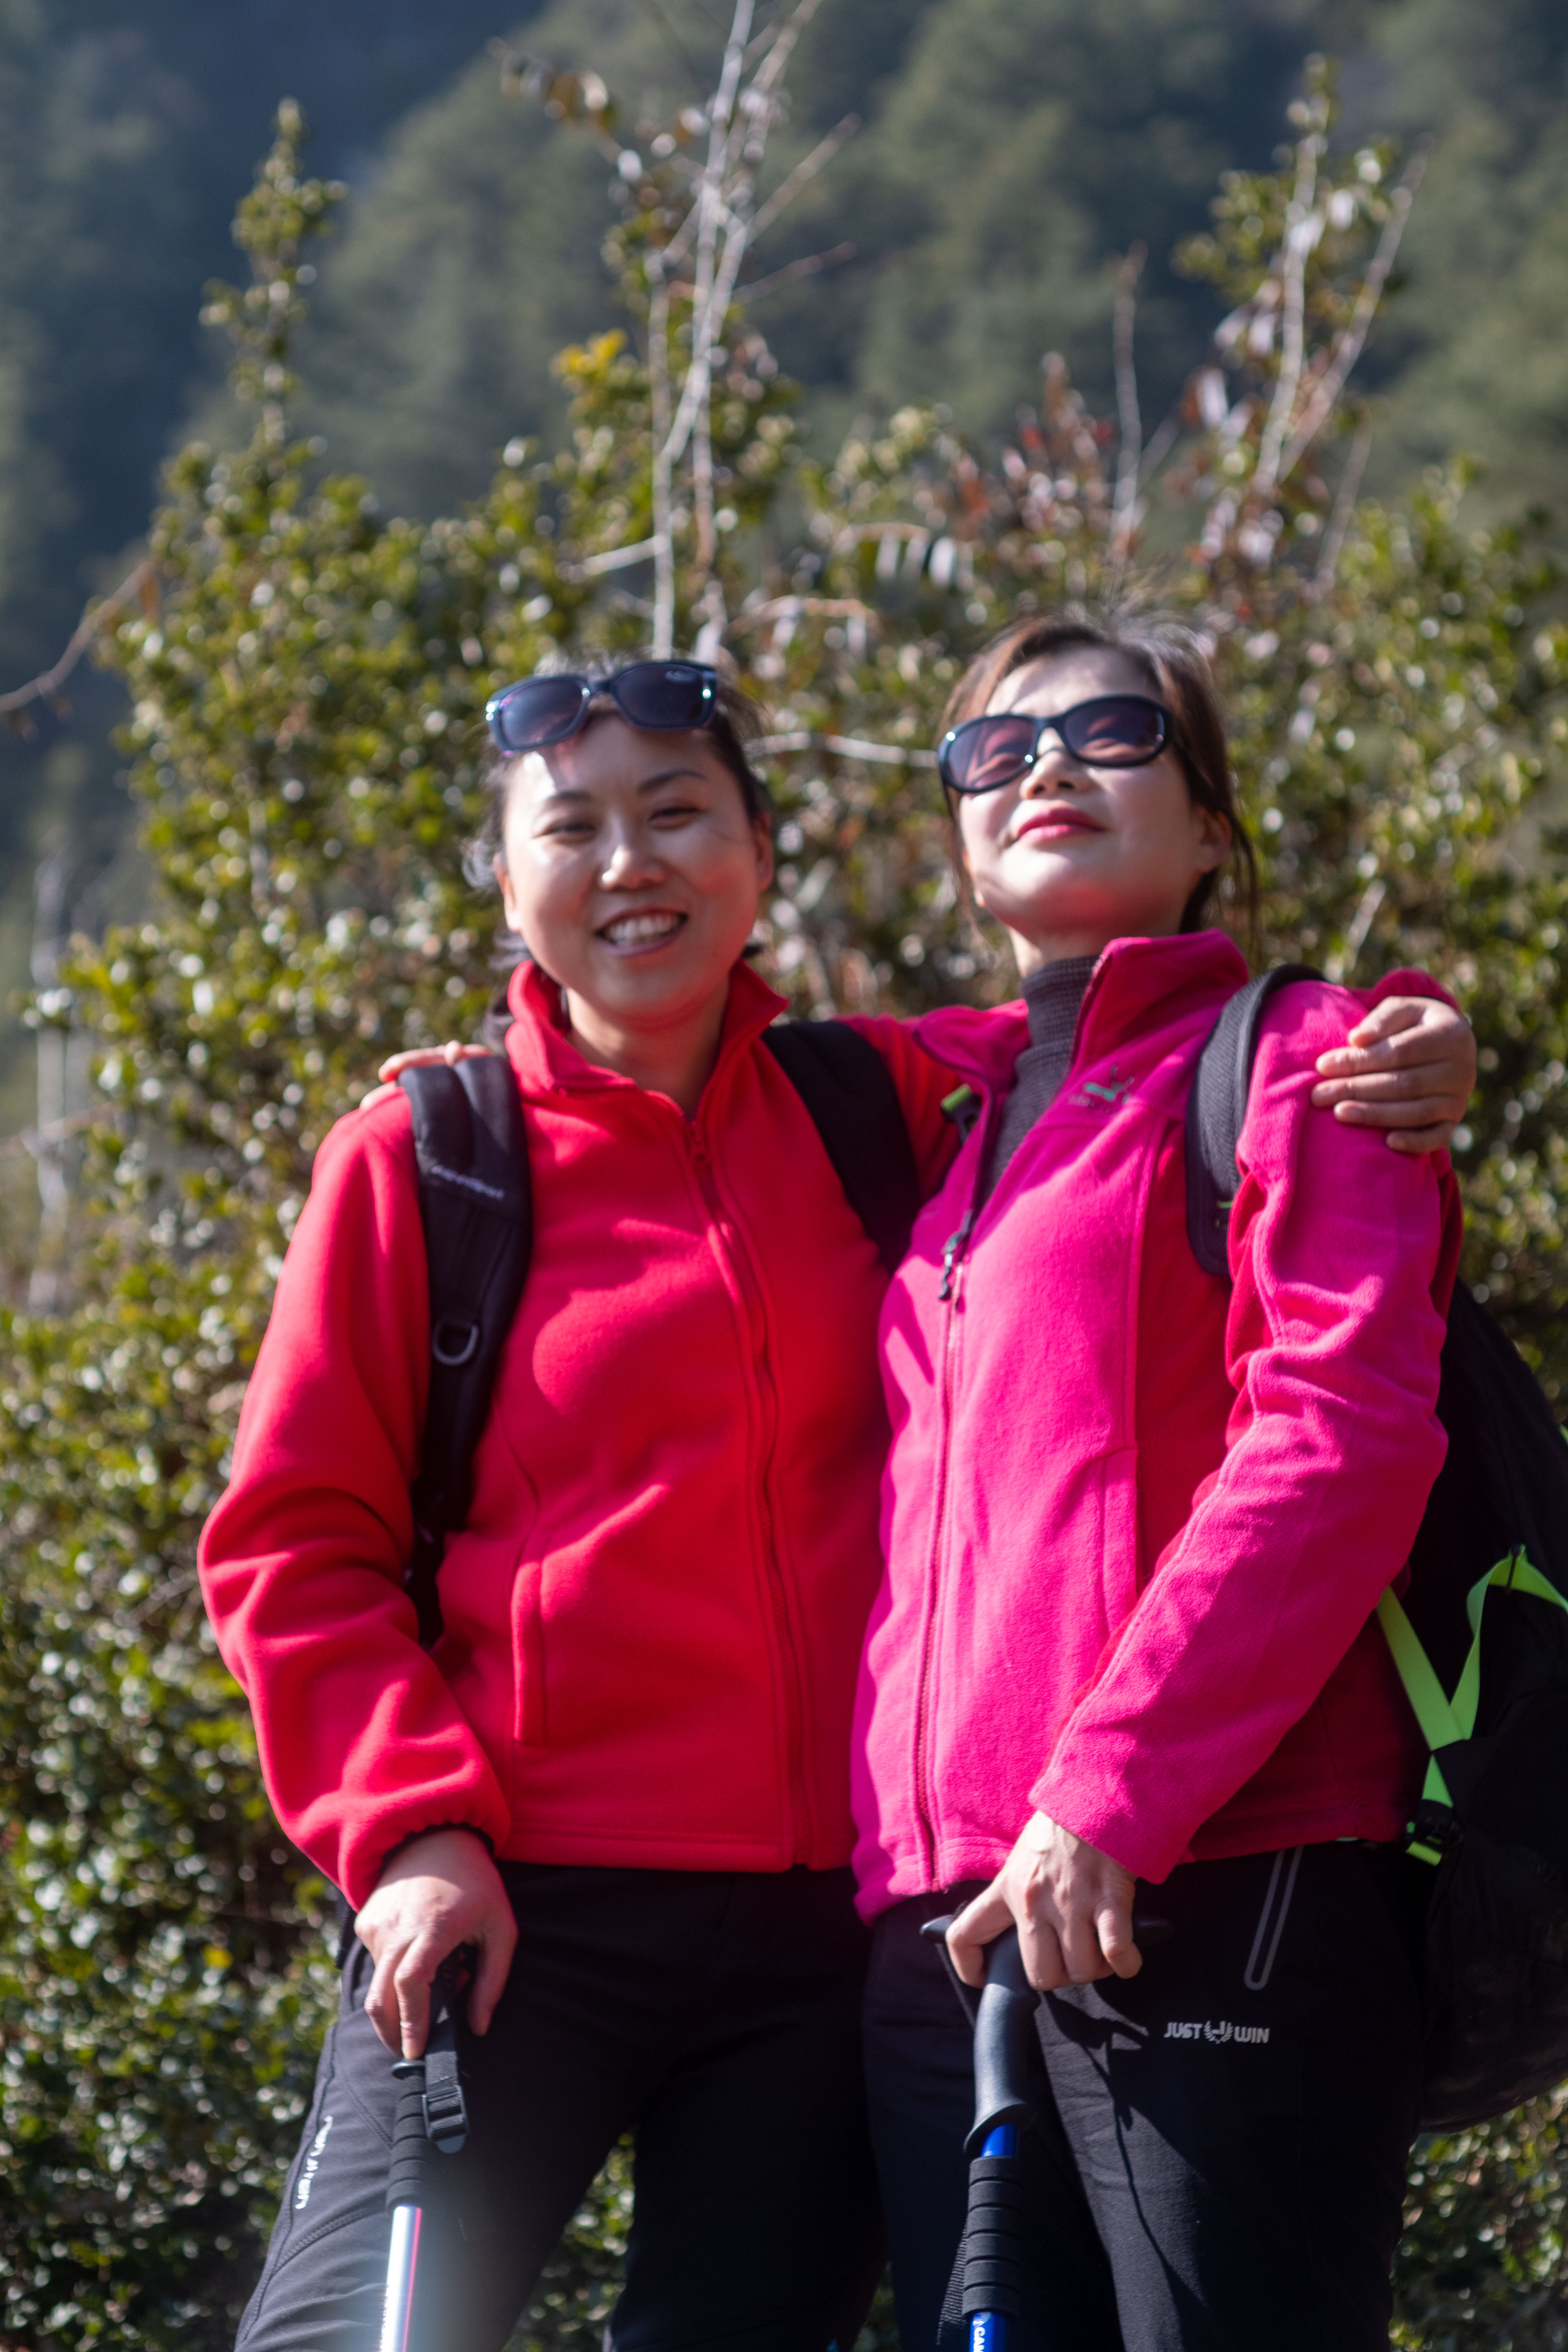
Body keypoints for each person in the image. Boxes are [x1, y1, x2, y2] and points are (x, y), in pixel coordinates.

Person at [198, 652, 1472, 2351]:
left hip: (823, 1941)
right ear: (503, 886)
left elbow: (1144, 1045)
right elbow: (292, 1544)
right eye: (570, 829)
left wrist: (1406, 1032)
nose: (630, 863)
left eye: (677, 814)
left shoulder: (877, 1098)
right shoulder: (429, 1155)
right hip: (516, 1902)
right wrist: (406, 1831)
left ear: (759, 856)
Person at [852, 612, 1465, 2352]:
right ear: (962, 836)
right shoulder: (945, 1118)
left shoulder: (1303, 1055)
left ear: (1209, 825)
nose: (1046, 763)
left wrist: (1110, 1797)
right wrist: (495, 1055)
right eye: (995, 748)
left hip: (1215, 1875)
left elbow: (1339, 1436)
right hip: (949, 1928)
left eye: (1112, 732)